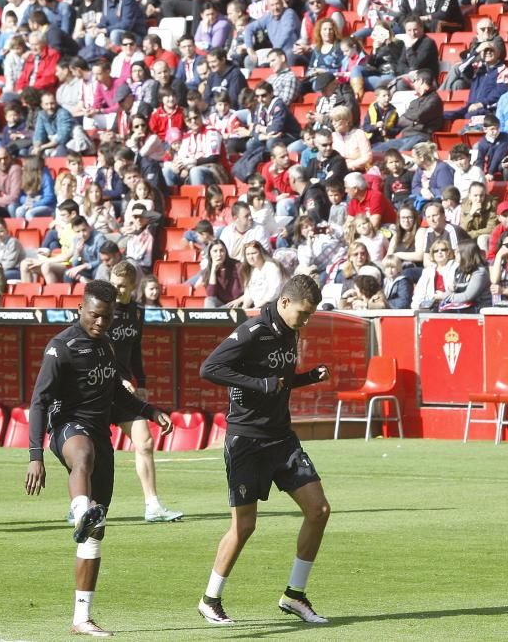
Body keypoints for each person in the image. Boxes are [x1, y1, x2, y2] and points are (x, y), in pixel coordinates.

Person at [24, 280, 173, 637]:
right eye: (94, 316)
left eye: (107, 317)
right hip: (68, 429)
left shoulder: (107, 347)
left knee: (95, 535)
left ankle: (81, 618)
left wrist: (150, 411)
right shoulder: (61, 348)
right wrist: (34, 456)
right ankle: (79, 510)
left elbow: (116, 399)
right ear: (80, 309)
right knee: (83, 456)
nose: (101, 323)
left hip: (100, 434)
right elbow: (38, 402)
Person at [198, 274, 331, 626]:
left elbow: (280, 381)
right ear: (284, 302)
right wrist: (260, 383)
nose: (306, 320)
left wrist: (307, 377)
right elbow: (210, 368)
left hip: (281, 439)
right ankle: (210, 599)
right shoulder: (253, 330)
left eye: (310, 315)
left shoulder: (290, 330)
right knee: (244, 527)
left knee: (319, 510)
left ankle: (294, 595)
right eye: (303, 313)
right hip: (246, 440)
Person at [103, 262, 183, 522]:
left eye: (122, 286)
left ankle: (152, 506)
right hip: (99, 388)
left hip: (125, 390)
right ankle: (80, 505)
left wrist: (143, 382)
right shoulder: (101, 311)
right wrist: (116, 379)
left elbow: (135, 351)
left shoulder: (138, 312)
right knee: (90, 451)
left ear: (133, 285)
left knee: (146, 443)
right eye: (114, 284)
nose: (117, 290)